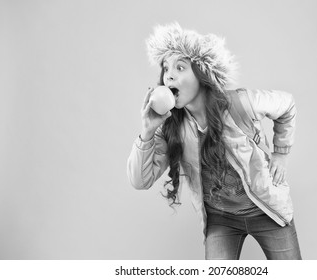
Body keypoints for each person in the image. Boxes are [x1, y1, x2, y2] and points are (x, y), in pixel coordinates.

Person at [127, 22, 301, 260]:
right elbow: (140, 180)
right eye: (166, 68)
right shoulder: (171, 127)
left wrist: (281, 152)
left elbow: (287, 104)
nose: (169, 75)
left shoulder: (239, 103)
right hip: (221, 220)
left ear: (201, 74)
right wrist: (147, 132)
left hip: (266, 210)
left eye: (180, 67)